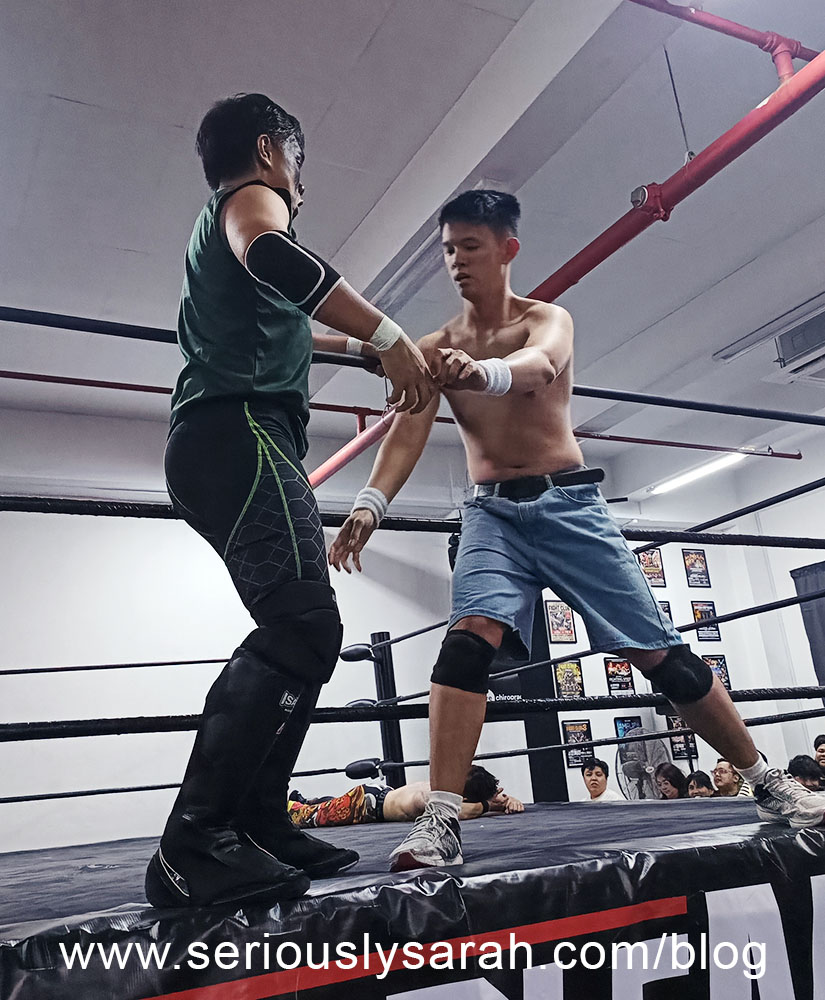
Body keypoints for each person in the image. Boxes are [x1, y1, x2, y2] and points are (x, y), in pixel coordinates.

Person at [329, 188, 825, 871]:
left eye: (470, 246)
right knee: (466, 644)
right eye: (448, 250)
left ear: (506, 249)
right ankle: (440, 820)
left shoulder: (547, 320)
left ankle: (764, 780)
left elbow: (537, 368)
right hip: (491, 515)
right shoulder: (435, 347)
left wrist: (481, 371)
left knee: (660, 655)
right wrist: (369, 504)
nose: (457, 261)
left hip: (570, 508)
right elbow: (408, 431)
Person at [145, 94, 434, 909]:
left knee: (305, 628)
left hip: (228, 440)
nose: (301, 183)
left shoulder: (221, 235)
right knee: (303, 625)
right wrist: (388, 336)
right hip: (237, 431)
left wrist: (360, 351)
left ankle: (257, 822)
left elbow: (283, 321)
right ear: (272, 150)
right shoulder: (250, 199)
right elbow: (272, 254)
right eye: (298, 163)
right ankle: (194, 843)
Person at [287, 765, 524, 827]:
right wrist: (489, 806)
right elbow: (450, 808)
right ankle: (290, 805)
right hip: (367, 804)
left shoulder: (446, 789)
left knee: (319, 809)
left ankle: (306, 800)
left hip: (373, 798)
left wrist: (507, 800)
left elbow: (469, 801)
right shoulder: (430, 796)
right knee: (303, 818)